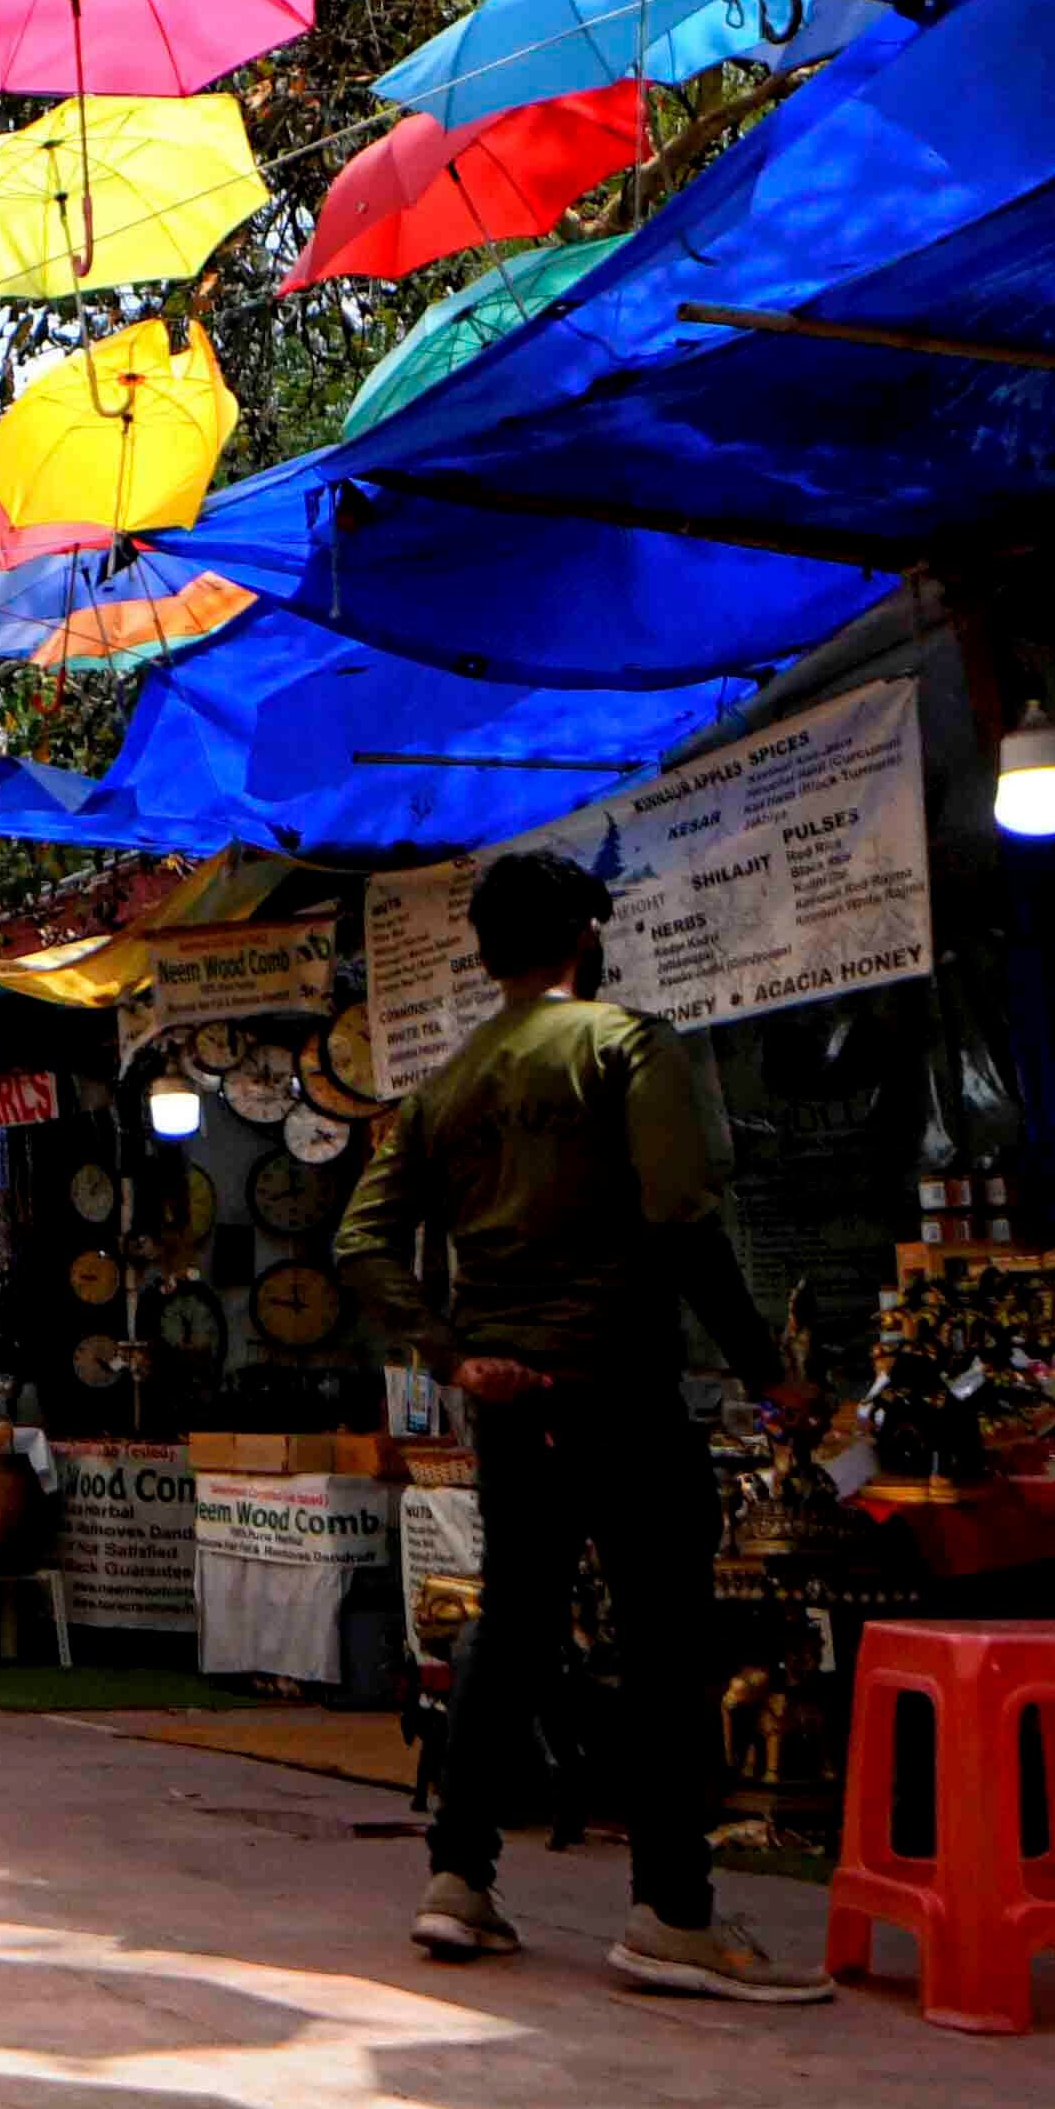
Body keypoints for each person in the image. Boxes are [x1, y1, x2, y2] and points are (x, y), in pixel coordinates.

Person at [329, 850, 827, 2003]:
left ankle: (458, 1880)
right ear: (588, 933)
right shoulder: (626, 1044)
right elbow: (680, 1216)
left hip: (513, 1399)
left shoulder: (444, 1085)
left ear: (487, 953)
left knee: (514, 1622)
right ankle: (672, 1909)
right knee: (664, 1640)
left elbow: (361, 1243)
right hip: (618, 1384)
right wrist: (770, 1372)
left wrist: (457, 1352)